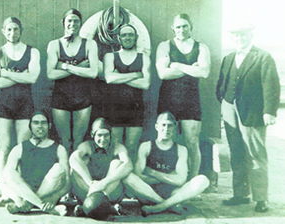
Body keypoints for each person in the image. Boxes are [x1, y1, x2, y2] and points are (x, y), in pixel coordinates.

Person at [216, 23, 280, 213]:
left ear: (250, 35)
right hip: (229, 109)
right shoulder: (228, 58)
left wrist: (269, 111)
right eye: (236, 35)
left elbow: (271, 86)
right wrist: (224, 102)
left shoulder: (263, 57)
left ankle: (261, 199)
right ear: (232, 37)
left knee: (256, 155)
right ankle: (240, 194)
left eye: (243, 35)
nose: (239, 38)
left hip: (253, 112)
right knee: (236, 152)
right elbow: (221, 83)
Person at [155, 13, 211, 179]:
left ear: (190, 27)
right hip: (168, 99)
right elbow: (162, 73)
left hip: (190, 100)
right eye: (178, 26)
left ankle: (192, 181)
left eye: (185, 26)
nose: (181, 29)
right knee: (165, 141)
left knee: (192, 142)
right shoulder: (165, 46)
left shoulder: (201, 47)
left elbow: (205, 71)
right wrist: (191, 69)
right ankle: (166, 178)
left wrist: (178, 65)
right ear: (173, 28)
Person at [123, 111, 209, 216]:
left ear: (174, 128)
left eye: (170, 126)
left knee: (203, 180)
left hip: (173, 194)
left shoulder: (181, 150)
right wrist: (171, 176)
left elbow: (181, 180)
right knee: (128, 177)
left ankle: (158, 207)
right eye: (163, 125)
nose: (166, 129)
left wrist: (153, 173)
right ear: (156, 126)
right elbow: (139, 176)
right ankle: (167, 206)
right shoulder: (146, 146)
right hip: (148, 193)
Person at [0, 17, 40, 184]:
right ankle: (4, 185)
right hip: (3, 104)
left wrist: (6, 73)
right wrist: (21, 75)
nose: (12, 33)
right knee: (4, 148)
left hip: (25, 104)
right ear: (4, 31)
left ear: (21, 30)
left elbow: (32, 78)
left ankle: (21, 183)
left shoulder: (32, 52)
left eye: (16, 29)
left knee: (22, 146)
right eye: (9, 29)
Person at [46, 8, 99, 153]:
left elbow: (93, 72)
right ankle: (65, 172)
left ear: (80, 23)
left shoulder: (89, 44)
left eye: (76, 21)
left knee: (78, 139)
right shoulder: (54, 45)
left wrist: (64, 65)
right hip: (60, 97)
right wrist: (80, 67)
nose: (73, 24)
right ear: (63, 23)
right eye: (70, 20)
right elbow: (50, 74)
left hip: (83, 97)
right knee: (64, 139)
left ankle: (75, 172)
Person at [0, 111, 69, 216]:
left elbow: (67, 182)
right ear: (30, 126)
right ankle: (42, 206)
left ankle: (26, 204)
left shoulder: (59, 149)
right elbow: (5, 181)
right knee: (7, 171)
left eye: (43, 123)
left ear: (49, 125)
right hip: (25, 190)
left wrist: (54, 197)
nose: (40, 126)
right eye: (36, 123)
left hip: (48, 193)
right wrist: (16, 198)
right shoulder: (20, 148)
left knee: (59, 168)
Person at [103, 24, 150, 162]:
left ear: (136, 37)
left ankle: (131, 179)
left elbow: (145, 83)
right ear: (119, 38)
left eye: (130, 34)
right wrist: (136, 74)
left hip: (135, 107)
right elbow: (109, 78)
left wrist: (119, 77)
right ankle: (116, 179)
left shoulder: (144, 57)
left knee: (131, 147)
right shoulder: (110, 56)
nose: (127, 37)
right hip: (115, 107)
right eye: (124, 35)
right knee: (116, 146)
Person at [70, 117, 132, 219]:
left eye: (106, 135)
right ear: (92, 134)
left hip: (109, 193)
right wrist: (91, 184)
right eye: (99, 135)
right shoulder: (86, 146)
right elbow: (73, 159)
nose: (103, 139)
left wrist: (103, 183)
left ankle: (87, 208)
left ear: (111, 135)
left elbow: (128, 165)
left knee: (117, 163)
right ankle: (109, 208)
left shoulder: (118, 147)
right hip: (88, 192)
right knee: (76, 168)